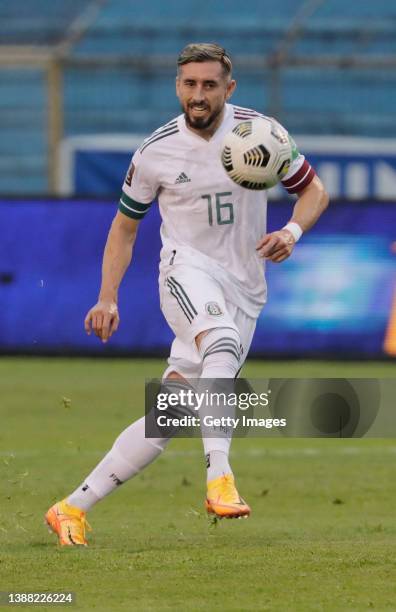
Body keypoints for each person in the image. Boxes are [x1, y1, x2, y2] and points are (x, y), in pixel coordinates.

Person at [45, 43, 329, 545]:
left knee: (170, 413)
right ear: (178, 86)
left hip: (245, 284)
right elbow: (124, 228)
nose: (198, 95)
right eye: (189, 85)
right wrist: (107, 296)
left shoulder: (261, 134)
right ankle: (219, 476)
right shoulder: (155, 151)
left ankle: (71, 508)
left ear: (229, 88)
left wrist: (291, 233)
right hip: (185, 271)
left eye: (209, 85)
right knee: (218, 342)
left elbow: (314, 190)